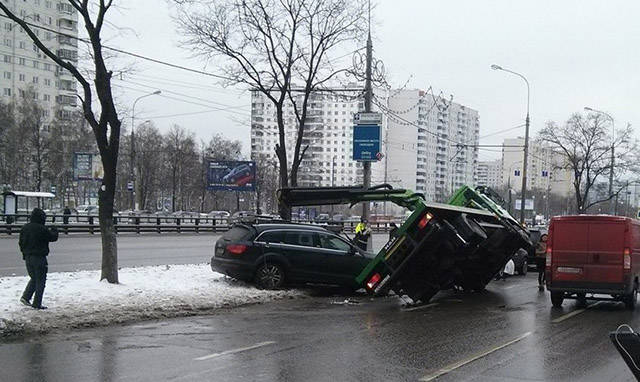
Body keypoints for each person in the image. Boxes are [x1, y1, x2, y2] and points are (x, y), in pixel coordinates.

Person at [19, 208, 58, 310]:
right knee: (41, 281)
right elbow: (53, 237)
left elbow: (21, 243)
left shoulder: (25, 228)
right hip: (40, 258)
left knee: (34, 278)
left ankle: (26, 297)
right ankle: (37, 303)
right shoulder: (42, 229)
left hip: (28, 257)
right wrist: (54, 230)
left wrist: (24, 254)